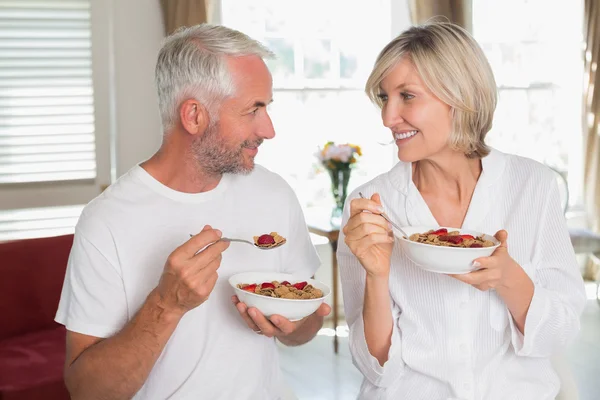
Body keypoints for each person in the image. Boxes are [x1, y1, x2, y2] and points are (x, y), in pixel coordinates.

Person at [55, 24, 330, 400]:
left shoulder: (274, 194)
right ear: (194, 116)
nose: (269, 129)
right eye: (254, 109)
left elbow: (306, 324)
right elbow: (87, 391)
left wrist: (292, 323)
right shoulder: (107, 221)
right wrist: (166, 304)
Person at [337, 21, 586, 400]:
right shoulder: (370, 205)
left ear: (460, 97)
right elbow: (376, 370)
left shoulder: (532, 186)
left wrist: (509, 278)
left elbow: (560, 332)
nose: (388, 118)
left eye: (407, 96)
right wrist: (377, 275)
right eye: (384, 98)